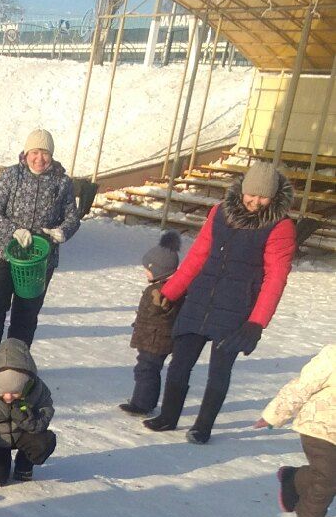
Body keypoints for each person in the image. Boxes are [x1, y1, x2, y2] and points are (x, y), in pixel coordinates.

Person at [143, 162, 296, 444]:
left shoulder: (280, 227)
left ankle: (203, 426)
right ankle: (168, 416)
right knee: (180, 362)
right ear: (242, 190)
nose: (255, 201)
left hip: (237, 308)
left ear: (274, 197)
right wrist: (171, 292)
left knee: (219, 369)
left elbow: (275, 278)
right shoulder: (219, 213)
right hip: (200, 298)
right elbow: (198, 256)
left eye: (263, 197)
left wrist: (256, 322)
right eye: (251, 194)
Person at [0, 128, 80, 374]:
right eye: (34, 152)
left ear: (51, 155)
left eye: (44, 153)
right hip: (4, 256)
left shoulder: (62, 182)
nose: (39, 158)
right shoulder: (11, 175)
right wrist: (13, 231)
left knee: (26, 315)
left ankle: (14, 367)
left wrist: (62, 231)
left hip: (39, 261)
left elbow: (72, 217)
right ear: (26, 153)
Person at [257, 343, 336, 517]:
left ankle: (293, 479)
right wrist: (275, 414)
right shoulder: (332, 356)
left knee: (326, 475)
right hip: (319, 426)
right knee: (329, 477)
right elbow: (301, 387)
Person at [0, 337, 56, 485]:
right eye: (2, 392)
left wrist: (29, 421)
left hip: (22, 433)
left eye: (15, 392)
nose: (8, 397)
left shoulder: (36, 390)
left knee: (44, 441)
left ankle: (24, 464)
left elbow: (46, 411)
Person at [119, 231, 182, 416]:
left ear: (158, 269)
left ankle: (142, 404)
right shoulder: (165, 288)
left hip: (155, 339)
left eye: (148, 268)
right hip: (154, 337)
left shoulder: (161, 291)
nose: (145, 271)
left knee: (146, 369)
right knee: (149, 368)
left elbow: (159, 312)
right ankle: (145, 401)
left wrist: (157, 304)